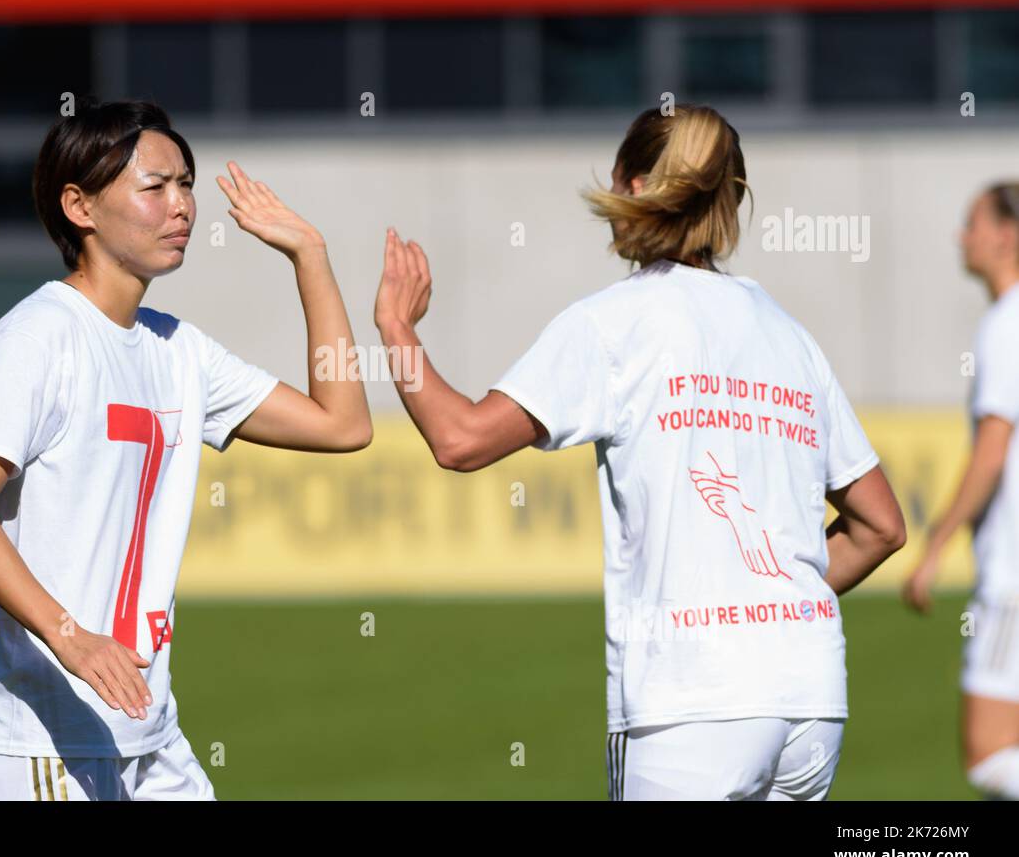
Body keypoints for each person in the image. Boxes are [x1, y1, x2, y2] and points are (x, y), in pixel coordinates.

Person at [372, 103, 905, 800]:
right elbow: (882, 526)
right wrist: (774, 602)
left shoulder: (615, 321)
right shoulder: (790, 336)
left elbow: (460, 438)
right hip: (810, 700)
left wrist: (394, 327)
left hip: (691, 708)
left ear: (630, 185)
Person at [0, 99, 371, 801]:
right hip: (45, 744)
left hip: (151, 737)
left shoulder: (178, 347)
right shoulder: (38, 336)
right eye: (156, 186)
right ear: (79, 206)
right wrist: (72, 637)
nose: (182, 206)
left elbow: (343, 422)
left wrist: (310, 256)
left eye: (187, 184)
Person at [903, 182, 1019, 799]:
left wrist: (934, 547)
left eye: (972, 223)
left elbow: (992, 452)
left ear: (1007, 235)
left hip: (1011, 581)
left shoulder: (1007, 324)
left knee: (989, 757)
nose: (961, 236)